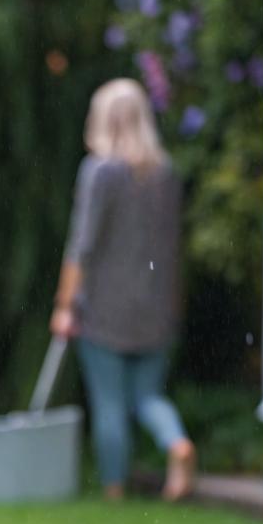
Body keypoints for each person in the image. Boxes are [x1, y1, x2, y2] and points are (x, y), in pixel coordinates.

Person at [50, 78, 196, 502]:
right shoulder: (165, 173)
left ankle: (114, 491)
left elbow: (82, 245)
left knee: (110, 402)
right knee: (148, 396)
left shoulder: (100, 171)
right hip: (156, 307)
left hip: (104, 308)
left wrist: (64, 304)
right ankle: (176, 442)